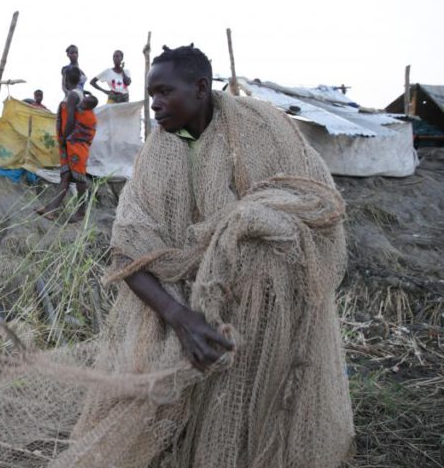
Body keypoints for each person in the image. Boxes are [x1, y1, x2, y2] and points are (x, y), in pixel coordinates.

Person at [62, 45, 354, 466]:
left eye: (165, 92)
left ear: (200, 89)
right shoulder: (157, 156)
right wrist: (181, 317)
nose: (156, 104)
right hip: (186, 303)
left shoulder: (262, 129)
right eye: (151, 93)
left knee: (249, 403)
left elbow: (316, 204)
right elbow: (127, 251)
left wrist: (242, 233)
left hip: (263, 300)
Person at [38, 67, 98, 223]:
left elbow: (71, 120)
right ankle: (51, 209)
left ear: (65, 79)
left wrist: (64, 138)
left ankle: (81, 212)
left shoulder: (73, 95)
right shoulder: (75, 95)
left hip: (74, 143)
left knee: (79, 178)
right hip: (71, 142)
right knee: (65, 176)